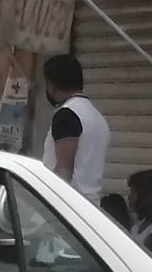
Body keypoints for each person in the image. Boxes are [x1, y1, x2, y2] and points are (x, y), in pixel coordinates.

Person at [40, 52, 110, 202]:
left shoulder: (67, 115)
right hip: (90, 204)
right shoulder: (96, 116)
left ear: (51, 85)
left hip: (69, 204)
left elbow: (64, 171)